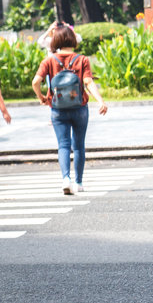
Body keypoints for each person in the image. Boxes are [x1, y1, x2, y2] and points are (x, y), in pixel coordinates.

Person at [32, 25, 108, 195]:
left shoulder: (49, 61)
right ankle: (79, 182)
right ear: (73, 40)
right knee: (79, 145)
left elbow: (35, 82)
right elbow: (88, 82)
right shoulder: (82, 60)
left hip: (57, 109)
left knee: (63, 145)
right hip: (80, 108)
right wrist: (100, 101)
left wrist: (42, 98)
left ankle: (66, 179)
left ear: (55, 41)